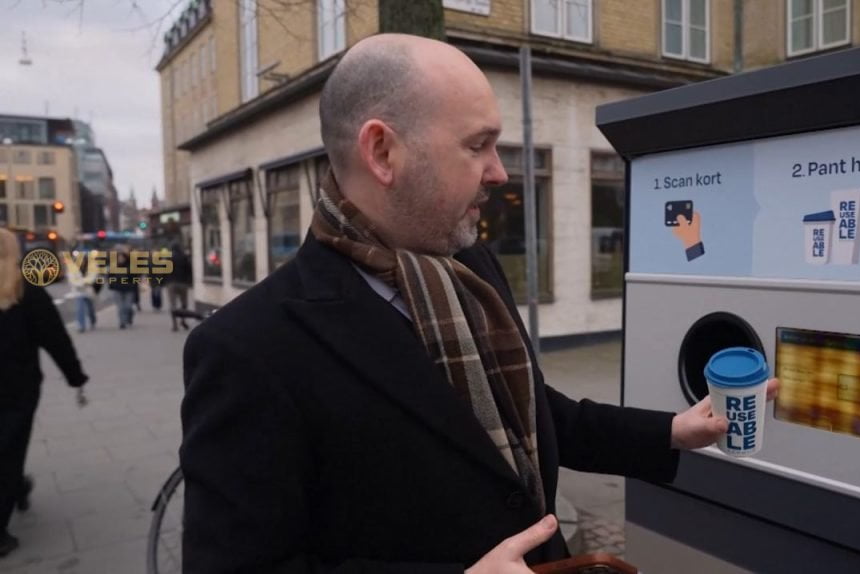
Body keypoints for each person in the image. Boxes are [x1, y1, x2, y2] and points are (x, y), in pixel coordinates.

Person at [180, 34, 779, 573]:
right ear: (383, 152)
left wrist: (671, 431)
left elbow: (535, 417)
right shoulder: (248, 349)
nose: (499, 174)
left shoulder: (470, 270)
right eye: (478, 146)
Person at [0, 228, 89, 557]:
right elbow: (55, 338)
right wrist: (75, 376)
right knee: (9, 449)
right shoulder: (27, 291)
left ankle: (17, 486)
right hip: (17, 389)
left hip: (17, 389)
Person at [66, 254, 98, 333]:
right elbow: (72, 280)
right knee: (80, 308)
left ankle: (93, 320)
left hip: (88, 291)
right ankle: (81, 326)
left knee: (90, 309)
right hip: (78, 291)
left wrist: (85, 282)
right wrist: (82, 283)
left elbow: (92, 277)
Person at [164, 243, 192, 332]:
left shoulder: (168, 258)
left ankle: (174, 324)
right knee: (184, 303)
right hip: (182, 283)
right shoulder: (184, 257)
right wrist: (189, 281)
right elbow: (189, 270)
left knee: (173, 304)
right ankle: (183, 320)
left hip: (171, 283)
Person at [107, 248, 137, 329]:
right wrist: (111, 286)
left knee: (128, 306)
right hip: (117, 289)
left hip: (128, 289)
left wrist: (134, 286)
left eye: (122, 257)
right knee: (120, 307)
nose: (121, 259)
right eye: (119, 257)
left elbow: (135, 278)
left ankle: (130, 316)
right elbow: (110, 277)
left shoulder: (130, 267)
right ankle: (122, 322)